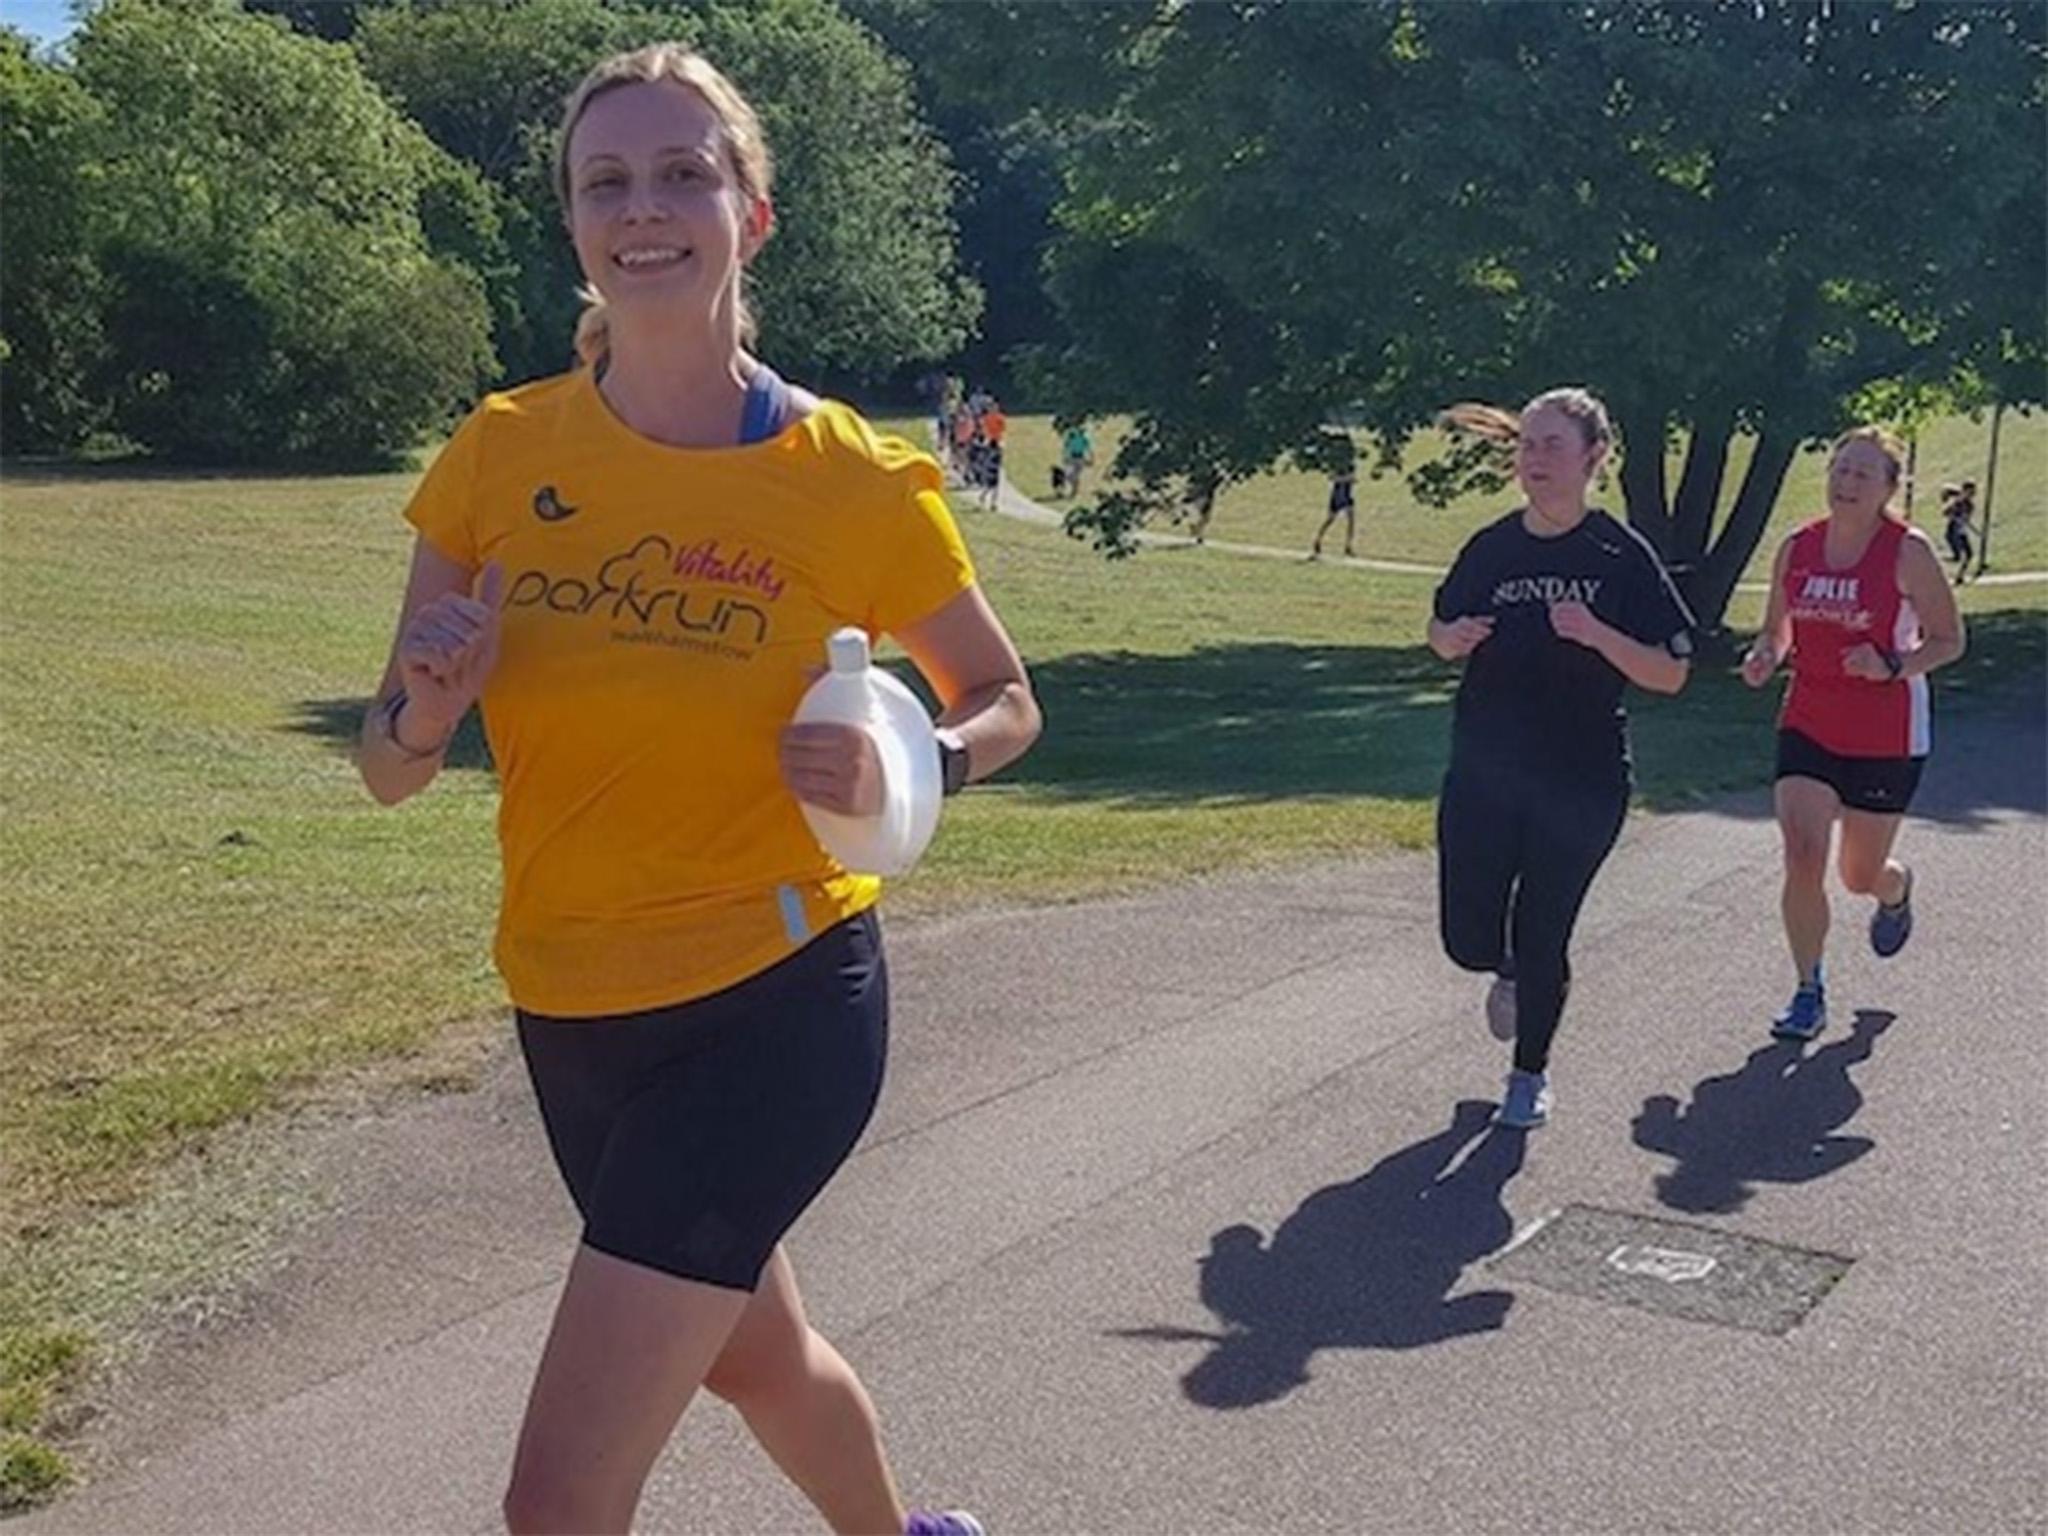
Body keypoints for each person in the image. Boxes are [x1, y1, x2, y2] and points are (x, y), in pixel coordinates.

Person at [356, 43, 1040, 1536]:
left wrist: (916, 757)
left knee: (560, 1499)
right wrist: (422, 706)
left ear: (753, 213)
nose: (643, 206)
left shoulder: (849, 477)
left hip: (773, 1001)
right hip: (568, 1005)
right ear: (574, 224)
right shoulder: (499, 453)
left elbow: (1006, 699)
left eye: (684, 172)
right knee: (759, 1359)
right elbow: (389, 770)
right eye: (607, 181)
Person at [1428, 388, 1694, 1128]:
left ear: (1594, 458)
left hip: (1581, 779)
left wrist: (1599, 635)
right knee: (1467, 939)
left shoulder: (1618, 554)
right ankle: (1504, 967)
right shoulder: (1492, 547)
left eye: (1553, 445)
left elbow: (1671, 673)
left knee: (1545, 928)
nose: (1536, 459)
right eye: (1528, 444)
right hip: (1485, 770)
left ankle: (1529, 1075)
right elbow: (1440, 622)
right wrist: (1445, 640)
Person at [1741, 426, 1964, 1042]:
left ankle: (1895, 889)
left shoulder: (1907, 552)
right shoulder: (1799, 546)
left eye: (1863, 474)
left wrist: (1892, 664)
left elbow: (1949, 642)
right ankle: (1808, 988)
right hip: (1809, 719)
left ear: (1889, 488)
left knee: (1857, 876)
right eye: (1840, 470)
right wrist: (1764, 655)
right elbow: (1776, 631)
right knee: (1802, 853)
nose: (1847, 483)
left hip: (1886, 734)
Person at [1310, 467, 1357, 560]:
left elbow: (1353, 478)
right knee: (1330, 519)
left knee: (1351, 521)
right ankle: (1317, 540)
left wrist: (1348, 479)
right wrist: (1346, 479)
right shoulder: (1337, 465)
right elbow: (1332, 477)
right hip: (1338, 495)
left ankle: (1348, 546)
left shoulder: (1351, 465)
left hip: (1347, 495)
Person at [1940, 479, 1978, 583]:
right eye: (1970, 492)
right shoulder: (1958, 503)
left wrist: (1974, 530)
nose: (1972, 494)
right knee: (1957, 557)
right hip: (1953, 532)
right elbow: (1946, 513)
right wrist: (1956, 517)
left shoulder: (1970, 505)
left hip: (1961, 532)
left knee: (1969, 555)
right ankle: (1937, 562)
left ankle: (1959, 576)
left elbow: (1966, 520)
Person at [977, 398, 1007, 511]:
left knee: (996, 481)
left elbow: (1002, 431)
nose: (994, 409)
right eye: (991, 407)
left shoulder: (1000, 418)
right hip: (990, 446)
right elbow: (985, 431)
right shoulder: (986, 419)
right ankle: (984, 497)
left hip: (996, 445)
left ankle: (993, 502)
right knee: (989, 479)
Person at [1059, 422, 1094, 500]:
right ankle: (1073, 490)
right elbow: (1066, 447)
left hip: (1080, 458)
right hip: (1072, 457)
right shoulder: (1071, 436)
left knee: (1075, 476)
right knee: (1068, 475)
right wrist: (1064, 457)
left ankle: (1073, 493)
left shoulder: (1084, 438)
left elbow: (1089, 449)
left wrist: (1091, 459)